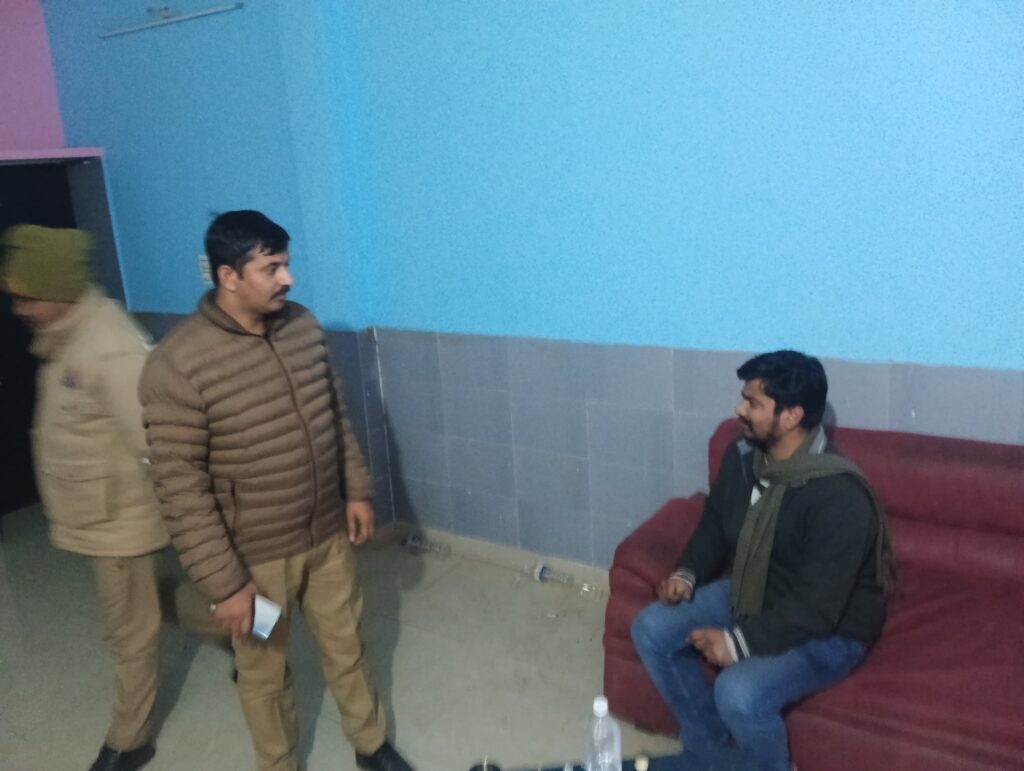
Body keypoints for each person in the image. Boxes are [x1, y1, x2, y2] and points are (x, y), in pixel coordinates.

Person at [138, 210, 414, 771]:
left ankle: (371, 744)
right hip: (256, 561)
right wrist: (226, 585)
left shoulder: (301, 328)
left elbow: (334, 415)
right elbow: (181, 491)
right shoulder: (179, 365)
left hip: (326, 539)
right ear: (228, 276)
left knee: (347, 645)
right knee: (264, 669)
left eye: (286, 264)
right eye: (271, 268)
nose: (288, 279)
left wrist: (356, 490)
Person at [1, 224, 225, 771]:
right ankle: (261, 626)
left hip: (121, 519)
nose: (20, 308)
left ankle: (130, 738)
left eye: (29, 297)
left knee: (129, 632)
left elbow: (156, 438)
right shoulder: (68, 338)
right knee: (154, 603)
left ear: (59, 288)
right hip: (102, 516)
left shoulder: (107, 346)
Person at [631, 350, 893, 771]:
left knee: (738, 692)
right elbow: (715, 522)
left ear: (791, 416)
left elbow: (817, 608)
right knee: (651, 628)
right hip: (756, 590)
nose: (739, 410)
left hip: (833, 629)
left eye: (753, 403)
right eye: (744, 398)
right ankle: (711, 751)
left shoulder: (839, 497)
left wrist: (737, 643)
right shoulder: (743, 457)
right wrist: (687, 573)